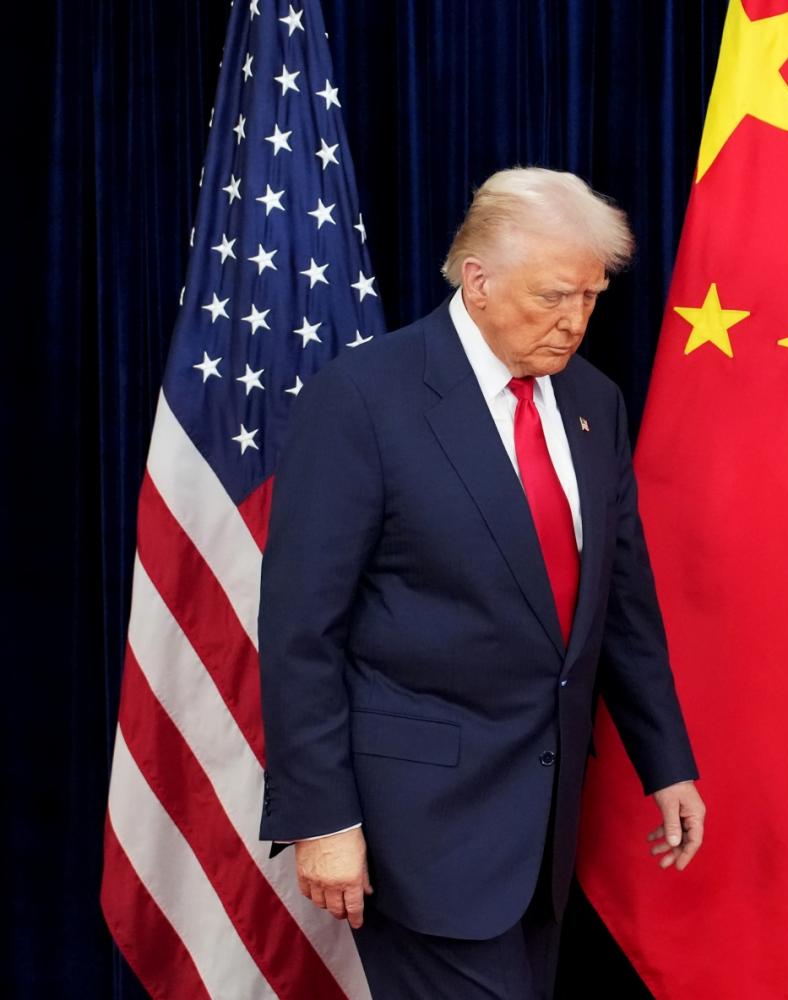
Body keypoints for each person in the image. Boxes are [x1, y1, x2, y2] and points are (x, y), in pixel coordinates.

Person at [257, 167, 706, 999]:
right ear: (479, 280)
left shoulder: (593, 402)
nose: (574, 322)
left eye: (592, 298)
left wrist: (666, 762)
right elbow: (300, 630)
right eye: (553, 297)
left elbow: (621, 603)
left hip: (543, 831)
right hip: (417, 828)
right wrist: (322, 819)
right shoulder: (363, 399)